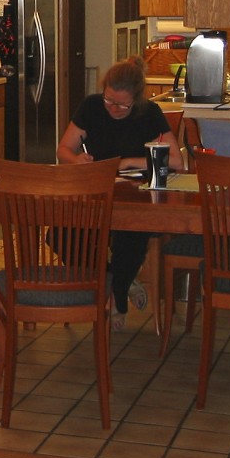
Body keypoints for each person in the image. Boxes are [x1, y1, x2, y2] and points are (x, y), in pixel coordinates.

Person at [57, 56, 184, 329]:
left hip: (137, 197)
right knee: (60, 235)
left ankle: (116, 296)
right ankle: (115, 280)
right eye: (109, 100)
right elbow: (63, 149)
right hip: (97, 195)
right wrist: (76, 159)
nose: (113, 108)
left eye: (122, 105)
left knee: (131, 233)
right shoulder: (92, 106)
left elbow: (176, 162)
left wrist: (128, 162)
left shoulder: (149, 113)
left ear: (135, 100)